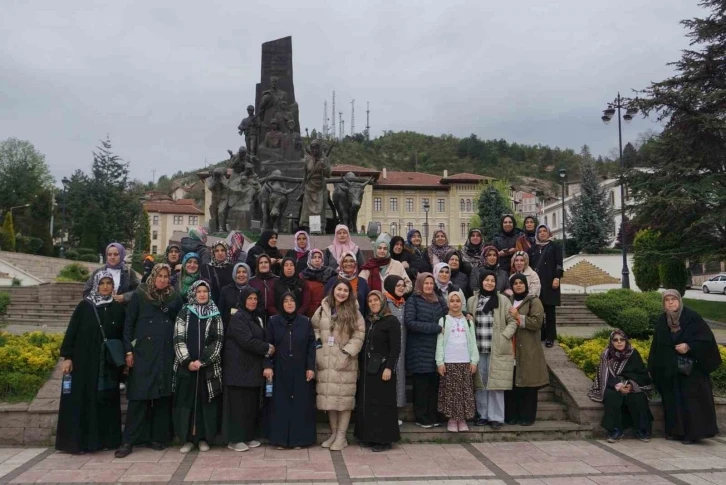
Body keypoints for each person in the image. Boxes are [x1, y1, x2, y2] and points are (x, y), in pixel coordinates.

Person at [116, 264, 182, 458]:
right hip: (143, 353)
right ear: (153, 277)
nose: (162, 279)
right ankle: (129, 441)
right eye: (159, 276)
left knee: (161, 398)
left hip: (165, 353)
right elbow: (129, 324)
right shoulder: (140, 295)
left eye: (166, 276)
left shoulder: (174, 298)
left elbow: (179, 322)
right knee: (139, 397)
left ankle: (157, 437)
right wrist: (128, 351)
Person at [56, 270, 126, 454]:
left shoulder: (118, 308)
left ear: (113, 286)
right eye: (102, 283)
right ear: (96, 284)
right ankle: (85, 442)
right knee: (84, 399)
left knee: (106, 400)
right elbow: (72, 331)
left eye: (108, 283)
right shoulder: (85, 307)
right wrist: (67, 357)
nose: (105, 287)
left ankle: (107, 440)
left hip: (107, 364)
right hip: (84, 362)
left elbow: (123, 335)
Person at [648, 290, 722, 444]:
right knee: (673, 399)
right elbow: (657, 346)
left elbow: (706, 340)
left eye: (673, 299)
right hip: (671, 369)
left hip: (692, 370)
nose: (670, 302)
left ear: (679, 300)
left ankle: (693, 434)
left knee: (691, 401)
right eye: (666, 300)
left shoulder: (691, 317)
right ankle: (676, 431)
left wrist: (689, 346)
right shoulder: (663, 320)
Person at [312, 279, 365, 451]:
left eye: (345, 290)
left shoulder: (354, 311)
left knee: (344, 401)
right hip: (326, 361)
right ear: (333, 290)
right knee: (330, 400)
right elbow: (314, 328)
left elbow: (359, 334)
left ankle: (342, 436)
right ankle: (334, 433)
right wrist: (318, 345)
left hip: (345, 362)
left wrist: (347, 353)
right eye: (339, 289)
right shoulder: (323, 308)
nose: (342, 293)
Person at [172, 281, 223, 453]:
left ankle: (203, 438)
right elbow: (178, 338)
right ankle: (186, 439)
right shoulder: (184, 311)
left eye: (205, 291)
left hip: (207, 368)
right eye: (199, 291)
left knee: (205, 404)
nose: (202, 294)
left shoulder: (215, 313)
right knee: (186, 404)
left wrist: (203, 361)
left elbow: (218, 340)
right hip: (187, 368)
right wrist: (187, 361)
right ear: (193, 293)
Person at [263, 293, 317, 449]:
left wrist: (310, 367)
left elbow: (311, 346)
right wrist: (267, 365)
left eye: (292, 300)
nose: (289, 303)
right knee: (280, 404)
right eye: (285, 301)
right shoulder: (274, 322)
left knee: (300, 404)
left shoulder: (305, 322)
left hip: (301, 369)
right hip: (280, 368)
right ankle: (280, 440)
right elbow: (267, 345)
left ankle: (299, 440)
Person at [466, 270, 518, 429]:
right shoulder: (472, 300)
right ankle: (483, 415)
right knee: (481, 384)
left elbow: (513, 321)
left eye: (492, 280)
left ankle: (496, 417)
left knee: (496, 384)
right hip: (478, 348)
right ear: (481, 281)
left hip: (497, 348)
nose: (489, 283)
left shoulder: (503, 300)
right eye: (486, 280)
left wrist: (504, 336)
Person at [222, 287, 270, 452]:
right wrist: (267, 348)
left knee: (249, 405)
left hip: (251, 368)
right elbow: (246, 341)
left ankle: (247, 436)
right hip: (237, 368)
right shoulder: (238, 317)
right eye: (249, 298)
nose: (252, 301)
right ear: (243, 300)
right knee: (237, 406)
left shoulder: (255, 317)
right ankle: (234, 439)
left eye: (255, 299)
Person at [355, 291, 401, 452]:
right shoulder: (369, 321)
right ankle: (369, 436)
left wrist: (389, 367)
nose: (373, 303)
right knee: (369, 403)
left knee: (383, 404)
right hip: (368, 369)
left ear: (382, 302)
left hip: (383, 368)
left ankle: (384, 439)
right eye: (370, 300)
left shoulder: (391, 321)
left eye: (376, 300)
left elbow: (395, 348)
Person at [588, 329, 653, 443]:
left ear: (626, 341)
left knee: (637, 397)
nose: (619, 342)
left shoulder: (633, 353)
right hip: (612, 384)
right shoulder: (606, 354)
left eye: (622, 339)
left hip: (632, 384)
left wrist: (631, 385)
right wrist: (618, 386)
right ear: (611, 342)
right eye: (615, 340)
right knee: (612, 397)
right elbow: (604, 375)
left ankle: (641, 429)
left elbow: (642, 373)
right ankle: (615, 430)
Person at [504, 273, 548, 426]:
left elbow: (537, 322)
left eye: (520, 283)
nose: (518, 285)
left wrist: (518, 317)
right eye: (515, 283)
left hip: (529, 348)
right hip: (511, 347)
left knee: (529, 385)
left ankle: (527, 417)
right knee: (512, 384)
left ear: (526, 285)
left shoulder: (534, 301)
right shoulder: (507, 301)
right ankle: (512, 416)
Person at [405, 273, 448, 428]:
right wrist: (435, 328)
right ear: (420, 284)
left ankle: (432, 415)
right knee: (421, 385)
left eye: (431, 283)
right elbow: (410, 322)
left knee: (432, 384)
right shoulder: (413, 300)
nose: (429, 286)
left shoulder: (439, 300)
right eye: (426, 283)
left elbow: (448, 316)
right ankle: (421, 417)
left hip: (435, 348)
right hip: (419, 349)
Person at [436, 290, 478, 432]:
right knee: (450, 392)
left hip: (465, 362)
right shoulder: (444, 320)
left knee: (464, 392)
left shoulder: (468, 321)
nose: (455, 303)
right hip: (449, 362)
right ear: (448, 303)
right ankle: (452, 419)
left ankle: (462, 419)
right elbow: (440, 342)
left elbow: (472, 341)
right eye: (452, 301)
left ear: (462, 303)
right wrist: (440, 362)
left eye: (458, 301)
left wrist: (474, 361)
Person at [529, 224, 563, 348]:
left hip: (550, 283)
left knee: (550, 311)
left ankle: (550, 337)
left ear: (549, 233)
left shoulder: (554, 246)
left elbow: (559, 264)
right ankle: (541, 335)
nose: (542, 233)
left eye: (545, 231)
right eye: (540, 231)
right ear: (537, 234)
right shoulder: (533, 248)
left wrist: (557, 277)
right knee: (538, 311)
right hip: (537, 284)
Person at [384, 275, 408, 416]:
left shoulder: (404, 303)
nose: (401, 288)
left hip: (402, 346)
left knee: (399, 377)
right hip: (387, 347)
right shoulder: (384, 302)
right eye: (397, 285)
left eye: (402, 285)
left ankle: (396, 411)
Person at [325, 251, 370, 315]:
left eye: (351, 261)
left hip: (357, 321)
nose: (348, 264)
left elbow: (367, 305)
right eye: (345, 261)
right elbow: (326, 302)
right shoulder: (332, 281)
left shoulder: (362, 282)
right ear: (341, 263)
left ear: (355, 263)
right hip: (335, 321)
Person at [300, 248, 336, 317]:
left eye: (319, 257)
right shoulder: (303, 275)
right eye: (314, 257)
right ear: (310, 259)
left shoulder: (329, 272)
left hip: (326, 308)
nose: (317, 260)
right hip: (309, 311)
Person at [218, 262, 251, 330]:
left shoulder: (254, 290)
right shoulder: (225, 290)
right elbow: (221, 313)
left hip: (249, 329)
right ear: (234, 274)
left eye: (244, 272)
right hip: (229, 329)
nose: (241, 275)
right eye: (238, 272)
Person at [249, 254, 279, 324]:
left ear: (269, 264)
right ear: (257, 265)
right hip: (256, 316)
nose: (263, 265)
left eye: (266, 262)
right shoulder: (251, 281)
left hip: (275, 316)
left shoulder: (277, 280)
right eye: (261, 263)